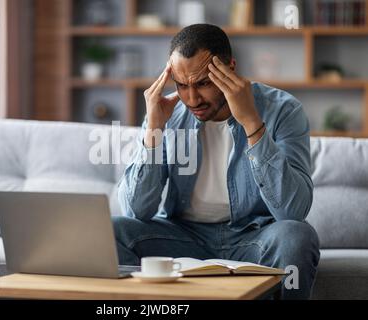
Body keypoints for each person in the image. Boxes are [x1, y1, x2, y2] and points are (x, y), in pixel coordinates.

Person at [113, 24, 320, 299]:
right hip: (182, 236)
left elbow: (292, 212)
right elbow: (136, 211)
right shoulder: (167, 114)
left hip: (254, 236)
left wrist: (251, 123)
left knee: (297, 237)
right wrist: (153, 130)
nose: (191, 98)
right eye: (181, 85)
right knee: (113, 231)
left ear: (230, 68)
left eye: (203, 83)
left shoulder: (282, 110)